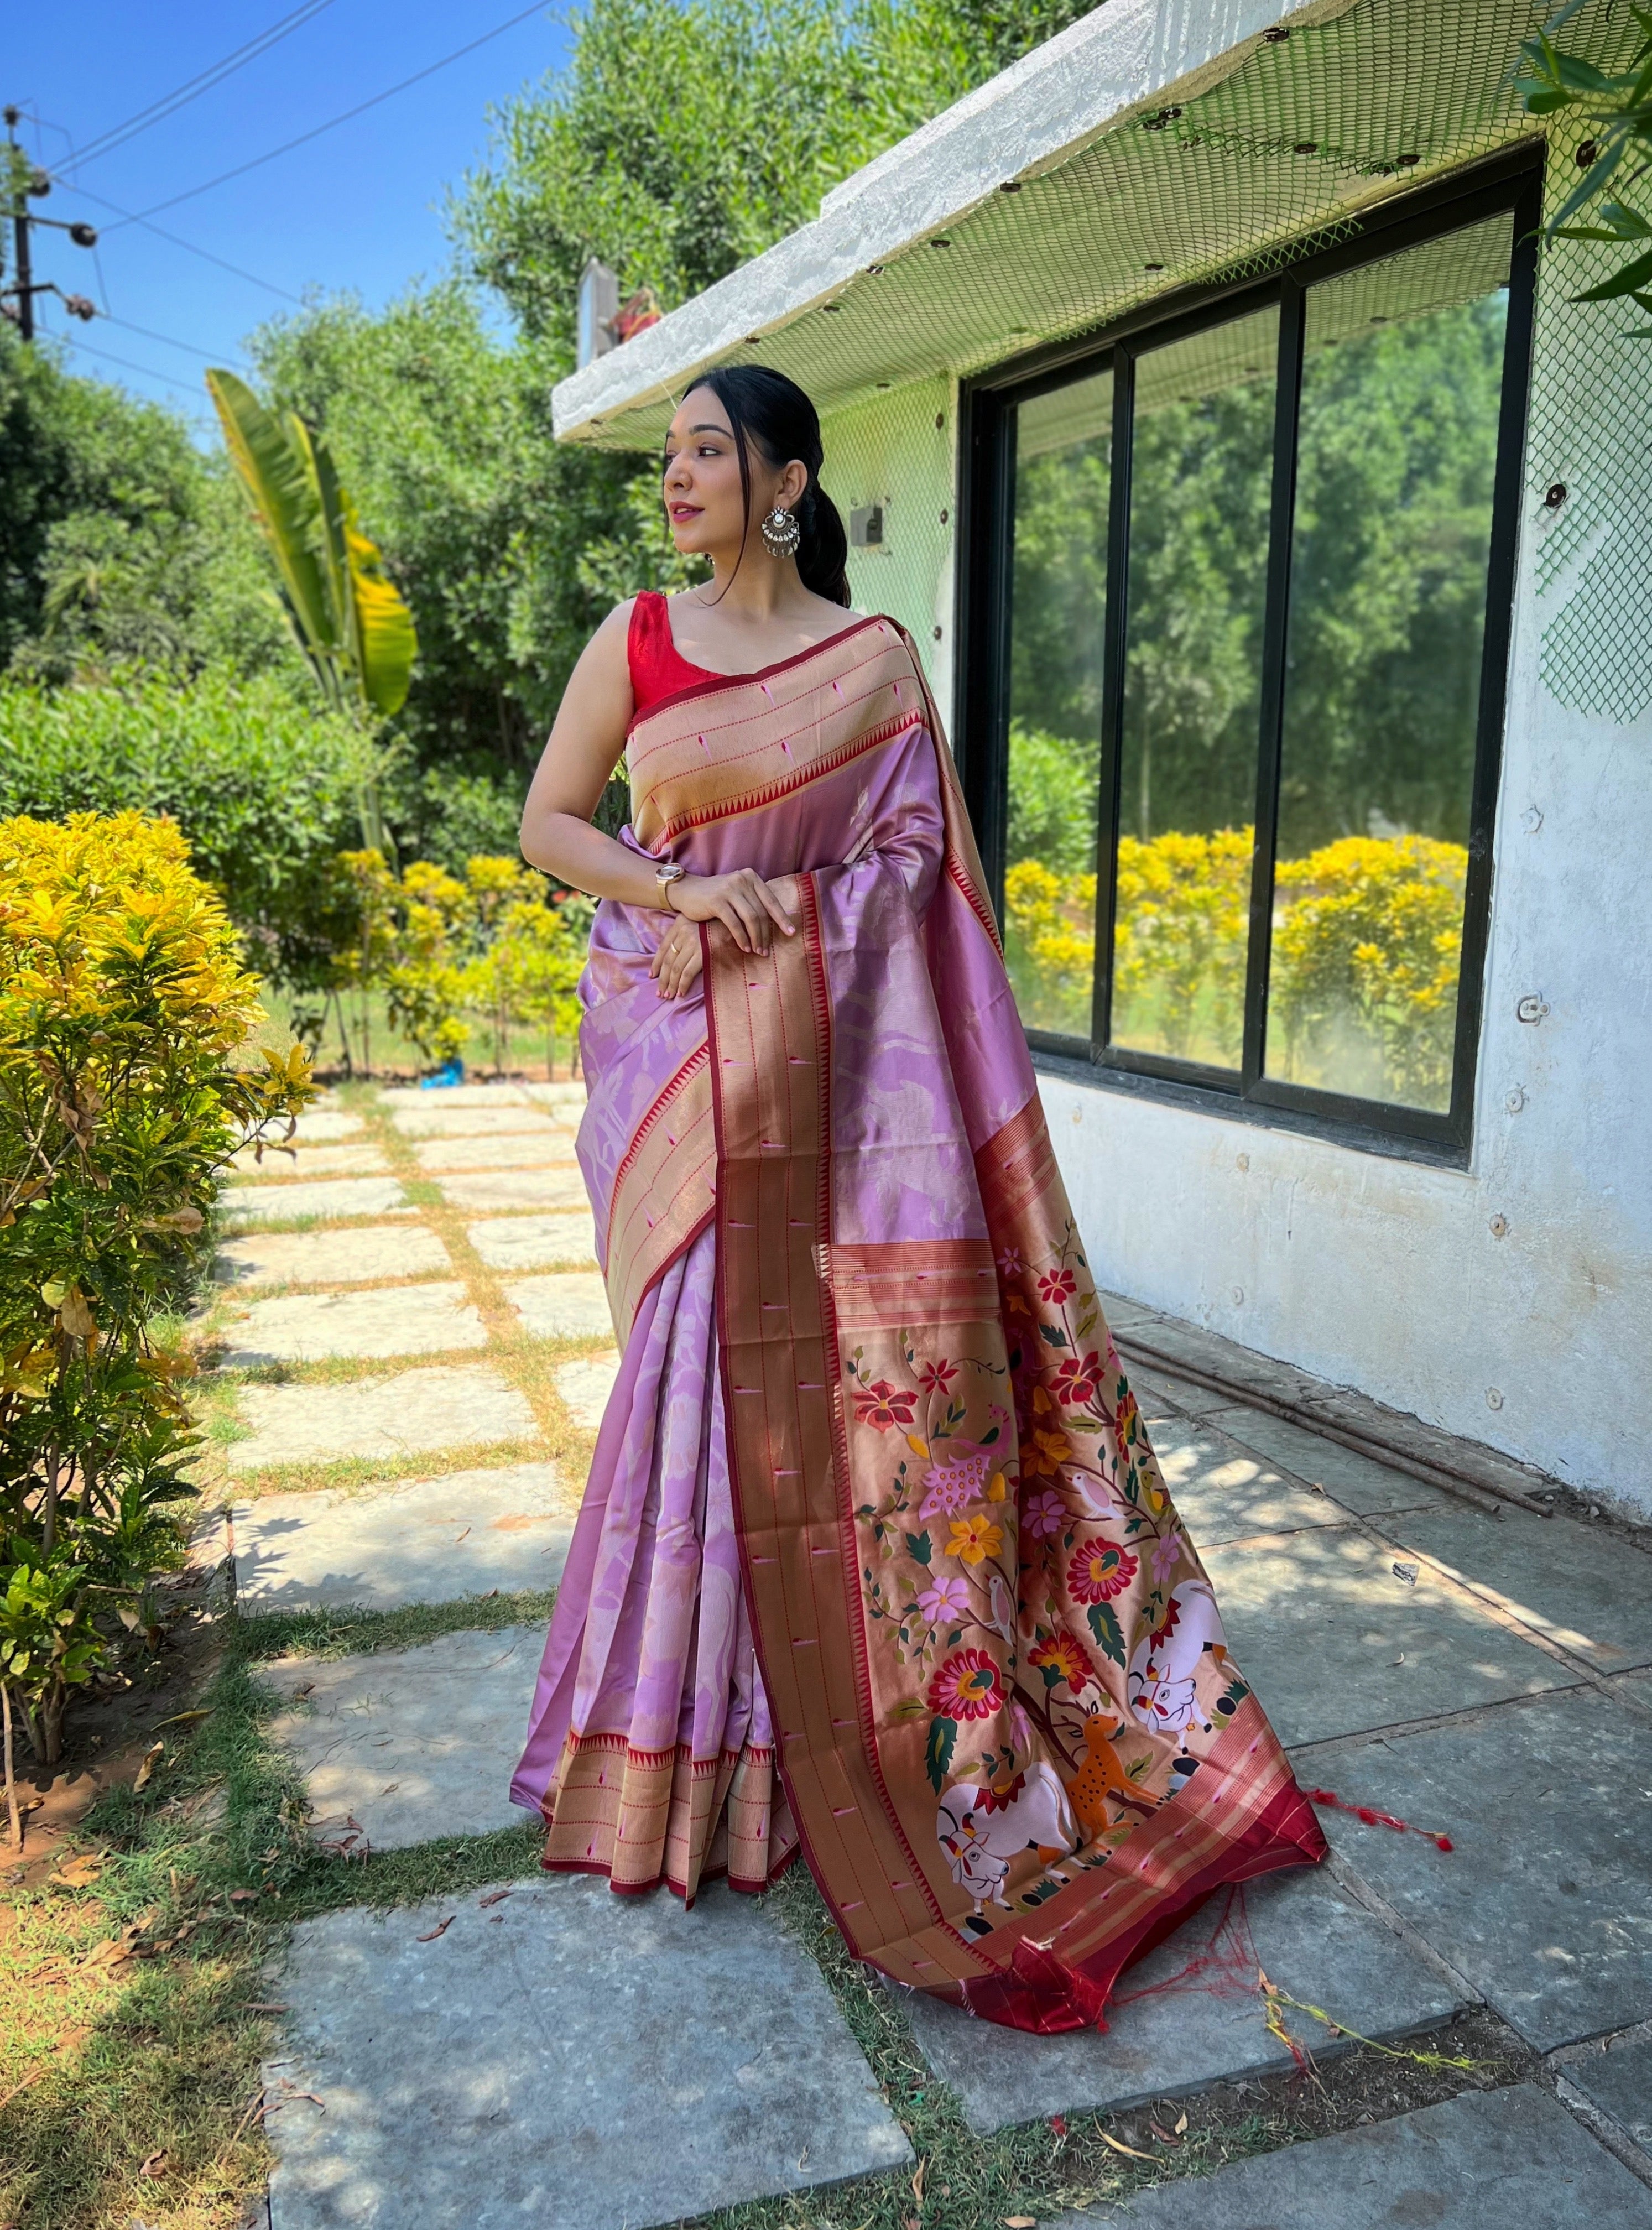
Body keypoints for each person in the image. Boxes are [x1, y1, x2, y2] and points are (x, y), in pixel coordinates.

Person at [512, 364, 1325, 2033]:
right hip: (693, 1081)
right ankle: (696, 1763)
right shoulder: (635, 639)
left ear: (787, 480)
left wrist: (785, 917)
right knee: (692, 1400)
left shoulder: (872, 664)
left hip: (843, 1090)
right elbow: (548, 826)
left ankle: (856, 1752)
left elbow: (919, 880)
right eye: (665, 454)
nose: (675, 478)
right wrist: (682, 887)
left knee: (876, 1429)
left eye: (707, 453)